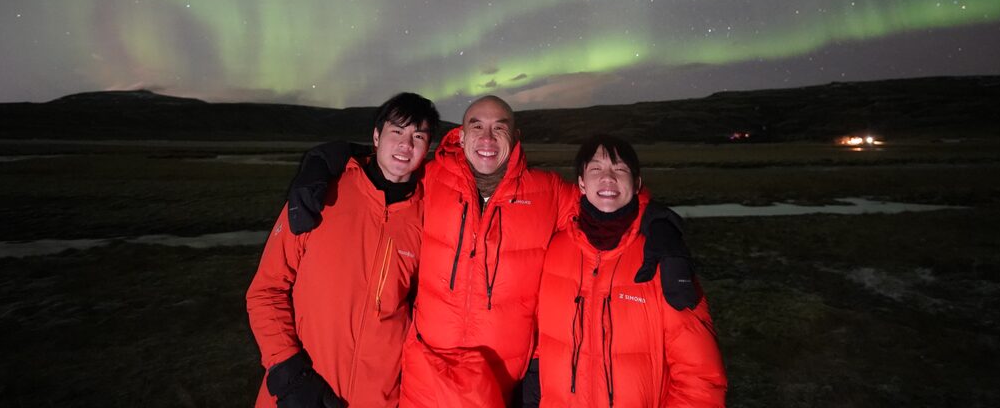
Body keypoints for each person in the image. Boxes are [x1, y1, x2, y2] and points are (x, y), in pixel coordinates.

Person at [286, 96, 700, 408]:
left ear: (515, 138)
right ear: (460, 135)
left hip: (498, 384)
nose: (487, 138)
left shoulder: (549, 193)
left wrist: (661, 224)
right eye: (477, 127)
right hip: (423, 377)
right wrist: (323, 157)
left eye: (499, 128)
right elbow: (379, 162)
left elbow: (609, 200)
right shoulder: (429, 178)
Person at [246, 92, 440, 408]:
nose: (406, 144)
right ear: (376, 136)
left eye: (418, 136)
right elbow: (267, 290)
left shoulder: (428, 215)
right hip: (300, 392)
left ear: (427, 148)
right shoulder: (320, 194)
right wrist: (290, 374)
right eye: (396, 132)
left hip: (378, 398)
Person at [528, 136, 727, 408]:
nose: (608, 178)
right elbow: (540, 346)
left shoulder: (662, 256)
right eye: (595, 169)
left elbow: (700, 377)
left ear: (637, 184)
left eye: (620, 169)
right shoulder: (554, 249)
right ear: (581, 184)